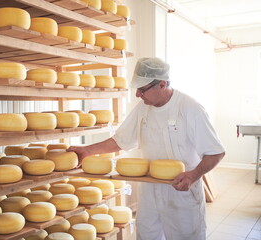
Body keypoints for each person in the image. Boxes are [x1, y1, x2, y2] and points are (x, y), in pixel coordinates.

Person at [68, 57, 225, 240]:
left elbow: (216, 152)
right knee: (146, 236)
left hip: (181, 191)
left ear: (162, 84)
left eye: (142, 90)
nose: (137, 95)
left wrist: (193, 175)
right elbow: (120, 140)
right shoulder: (143, 109)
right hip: (150, 191)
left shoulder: (190, 109)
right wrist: (88, 150)